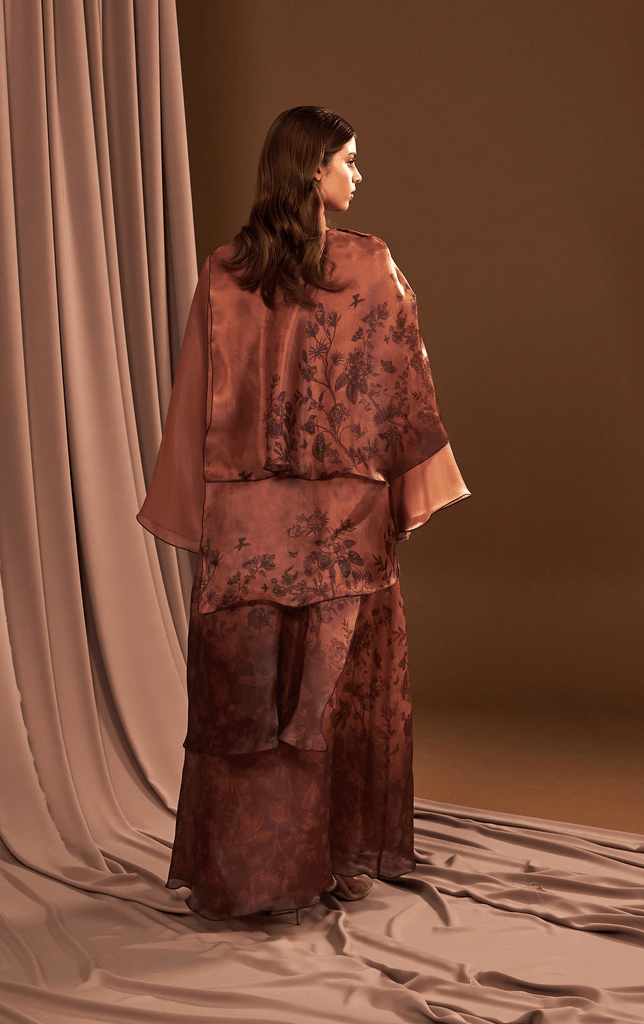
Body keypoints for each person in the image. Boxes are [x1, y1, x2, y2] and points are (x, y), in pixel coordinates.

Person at [138, 106, 469, 921]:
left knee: (248, 695)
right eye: (347, 160)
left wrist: (201, 512)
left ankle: (247, 877)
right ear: (312, 168)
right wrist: (401, 491)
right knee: (327, 694)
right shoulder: (372, 264)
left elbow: (193, 405)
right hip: (342, 521)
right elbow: (403, 383)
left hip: (245, 522)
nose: (357, 174)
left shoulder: (224, 271)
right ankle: (332, 860)